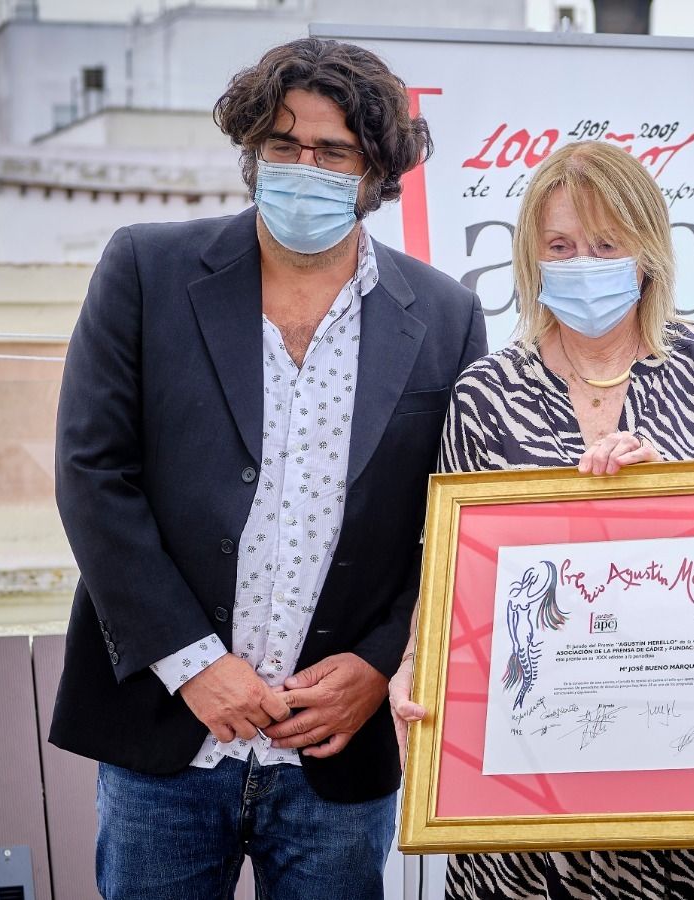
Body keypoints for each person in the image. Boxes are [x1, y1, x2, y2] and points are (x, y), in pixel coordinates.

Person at [49, 38, 487, 899]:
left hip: (333, 759)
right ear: (252, 151)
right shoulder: (145, 268)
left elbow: (453, 518)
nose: (303, 166)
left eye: (332, 151)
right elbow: (92, 472)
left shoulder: (446, 314)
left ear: (377, 171)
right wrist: (190, 661)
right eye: (282, 145)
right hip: (165, 741)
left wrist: (380, 662)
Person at [388, 140, 694, 899]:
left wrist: (671, 491)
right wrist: (415, 663)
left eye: (605, 245)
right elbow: (449, 565)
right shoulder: (485, 391)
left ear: (649, 252)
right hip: (527, 810)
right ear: (532, 260)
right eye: (561, 246)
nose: (582, 263)